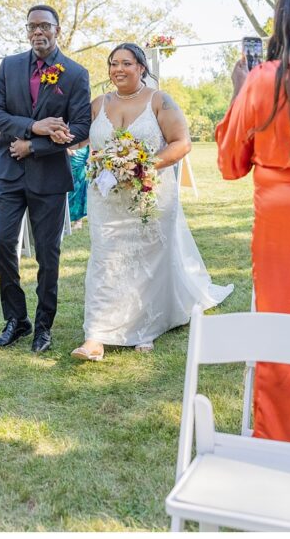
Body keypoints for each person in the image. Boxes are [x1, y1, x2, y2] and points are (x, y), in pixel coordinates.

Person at [216, 0, 290, 447]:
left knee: (287, 325)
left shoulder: (265, 79)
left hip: (281, 221)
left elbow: (228, 162)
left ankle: (288, 440)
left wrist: (240, 87)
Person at [70, 44, 232, 361]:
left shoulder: (160, 100)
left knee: (148, 262)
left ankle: (146, 327)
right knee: (104, 261)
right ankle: (95, 337)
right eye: (113, 64)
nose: (118, 69)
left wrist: (141, 167)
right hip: (106, 198)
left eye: (126, 63)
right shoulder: (97, 104)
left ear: (141, 67)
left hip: (151, 195)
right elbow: (81, 140)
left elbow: (181, 143)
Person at [0, 5, 91, 353]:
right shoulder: (10, 65)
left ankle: (44, 326)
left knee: (48, 254)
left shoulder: (74, 73)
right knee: (1, 243)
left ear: (57, 29)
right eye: (32, 27)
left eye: (44, 26)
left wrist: (35, 145)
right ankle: (16, 319)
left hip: (48, 176)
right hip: (9, 172)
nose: (37, 32)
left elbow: (79, 129)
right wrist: (31, 126)